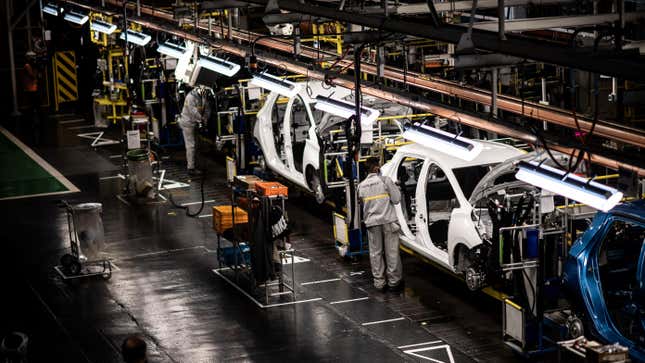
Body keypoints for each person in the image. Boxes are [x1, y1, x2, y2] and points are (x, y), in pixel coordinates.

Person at [358, 157, 403, 292]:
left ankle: (379, 283)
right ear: (377, 168)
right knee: (392, 252)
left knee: (375, 253)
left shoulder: (361, 186)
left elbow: (362, 204)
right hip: (388, 221)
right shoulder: (385, 181)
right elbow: (396, 199)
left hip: (372, 223)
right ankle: (394, 282)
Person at [178, 87, 211, 176]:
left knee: (196, 145)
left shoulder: (203, 96)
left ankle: (196, 164)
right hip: (187, 123)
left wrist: (206, 118)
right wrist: (201, 119)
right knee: (191, 146)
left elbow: (207, 108)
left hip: (195, 123)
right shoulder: (190, 97)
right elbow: (193, 112)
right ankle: (191, 168)